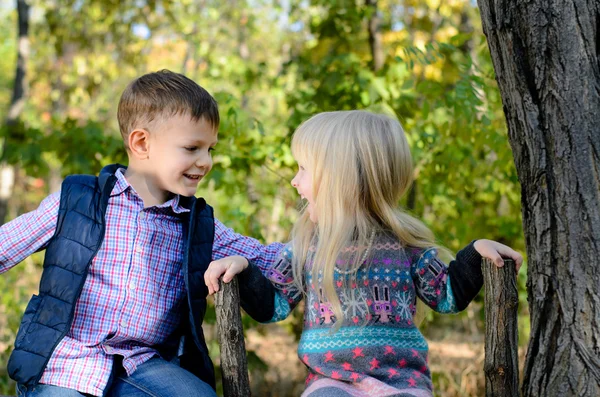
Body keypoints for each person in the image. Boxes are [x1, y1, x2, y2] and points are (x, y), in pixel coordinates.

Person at [0, 70, 282, 397]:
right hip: (67, 362)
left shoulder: (197, 224)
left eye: (210, 150)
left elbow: (276, 260)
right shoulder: (79, 202)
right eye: (192, 148)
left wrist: (337, 233)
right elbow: (5, 246)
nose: (205, 162)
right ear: (141, 143)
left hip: (144, 363)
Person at [205, 110, 523, 397]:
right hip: (331, 382)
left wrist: (475, 254)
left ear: (339, 178)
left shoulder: (405, 246)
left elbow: (447, 295)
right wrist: (244, 269)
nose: (294, 180)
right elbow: (272, 305)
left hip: (403, 383)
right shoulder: (306, 247)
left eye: (303, 168)